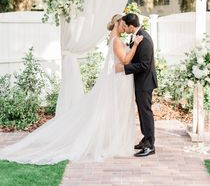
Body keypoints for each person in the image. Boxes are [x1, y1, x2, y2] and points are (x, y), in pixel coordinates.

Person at [0, 14, 143, 165]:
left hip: (121, 78)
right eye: (124, 24)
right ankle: (114, 143)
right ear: (118, 23)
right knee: (115, 111)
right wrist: (135, 46)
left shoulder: (116, 39)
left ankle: (116, 141)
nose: (126, 28)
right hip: (119, 80)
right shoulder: (116, 41)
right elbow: (125, 60)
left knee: (117, 111)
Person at [116, 13, 157, 157]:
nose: (124, 28)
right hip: (141, 81)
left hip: (145, 82)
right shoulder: (138, 36)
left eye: (125, 26)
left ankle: (150, 145)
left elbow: (145, 65)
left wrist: (124, 68)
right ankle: (145, 139)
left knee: (145, 112)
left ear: (131, 26)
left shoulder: (144, 38)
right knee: (142, 111)